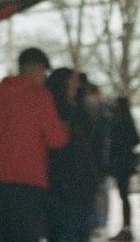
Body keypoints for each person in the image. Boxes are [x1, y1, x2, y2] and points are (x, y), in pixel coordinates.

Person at [0, 48, 70, 242]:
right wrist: (66, 128)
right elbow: (57, 139)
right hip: (28, 183)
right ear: (38, 69)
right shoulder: (39, 96)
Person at [46, 68, 104, 242]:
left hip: (74, 187)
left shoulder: (78, 111)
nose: (77, 86)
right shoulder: (64, 113)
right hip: (66, 188)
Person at [106, 96, 140, 241]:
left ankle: (127, 227)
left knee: (124, 196)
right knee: (124, 196)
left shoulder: (120, 121)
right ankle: (127, 226)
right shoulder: (127, 120)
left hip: (121, 163)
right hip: (125, 162)